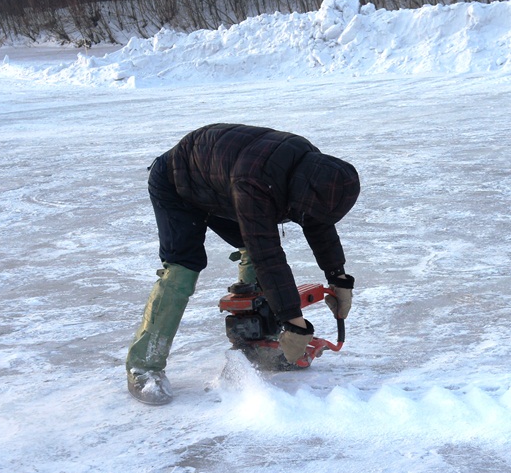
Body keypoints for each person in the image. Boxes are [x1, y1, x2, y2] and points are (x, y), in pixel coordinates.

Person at [126, 124, 360, 405]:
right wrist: (295, 324)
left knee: (253, 246)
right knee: (183, 268)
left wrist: (338, 276)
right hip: (178, 185)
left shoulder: (314, 170)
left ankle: (256, 342)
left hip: (221, 185)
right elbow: (268, 255)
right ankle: (144, 366)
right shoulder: (257, 183)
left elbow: (317, 223)